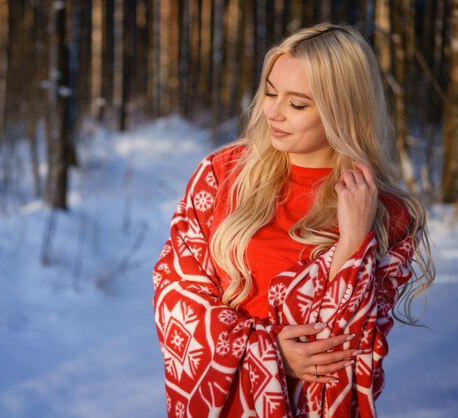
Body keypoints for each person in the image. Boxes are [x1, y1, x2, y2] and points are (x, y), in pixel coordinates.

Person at [152, 23, 435, 418]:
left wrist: (354, 240)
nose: (273, 111)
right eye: (270, 92)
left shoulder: (389, 214)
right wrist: (268, 353)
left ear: (343, 111)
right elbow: (175, 294)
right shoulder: (221, 175)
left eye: (297, 104)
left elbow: (351, 352)